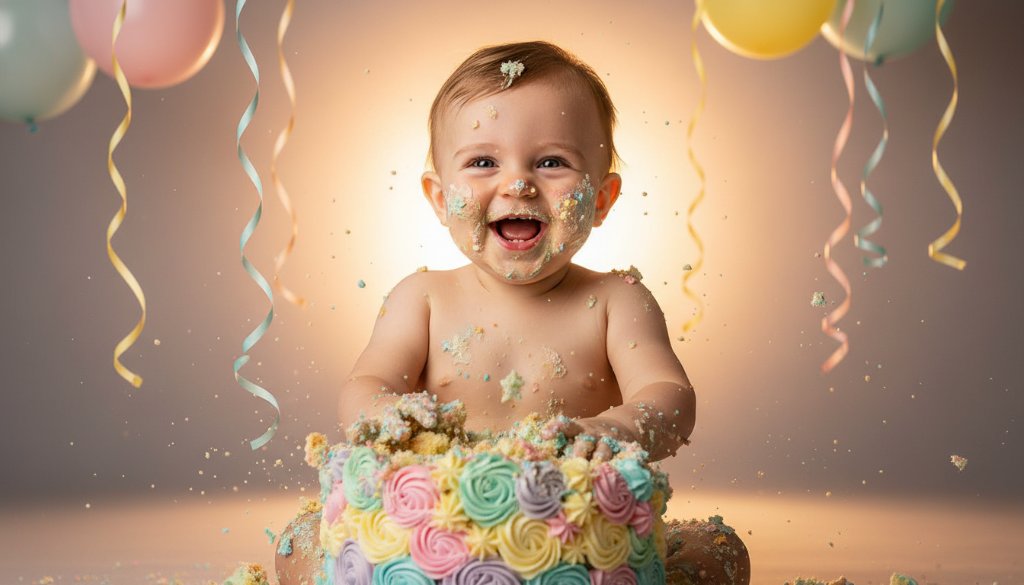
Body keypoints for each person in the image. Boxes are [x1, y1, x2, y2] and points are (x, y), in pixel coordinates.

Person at [276, 41, 749, 585]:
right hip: (431, 535)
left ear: (601, 198)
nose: (518, 183)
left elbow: (670, 396)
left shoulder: (617, 301)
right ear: (437, 196)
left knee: (718, 550)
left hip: (576, 541)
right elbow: (367, 381)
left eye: (551, 162)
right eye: (483, 162)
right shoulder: (422, 298)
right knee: (302, 542)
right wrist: (382, 411)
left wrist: (617, 427)